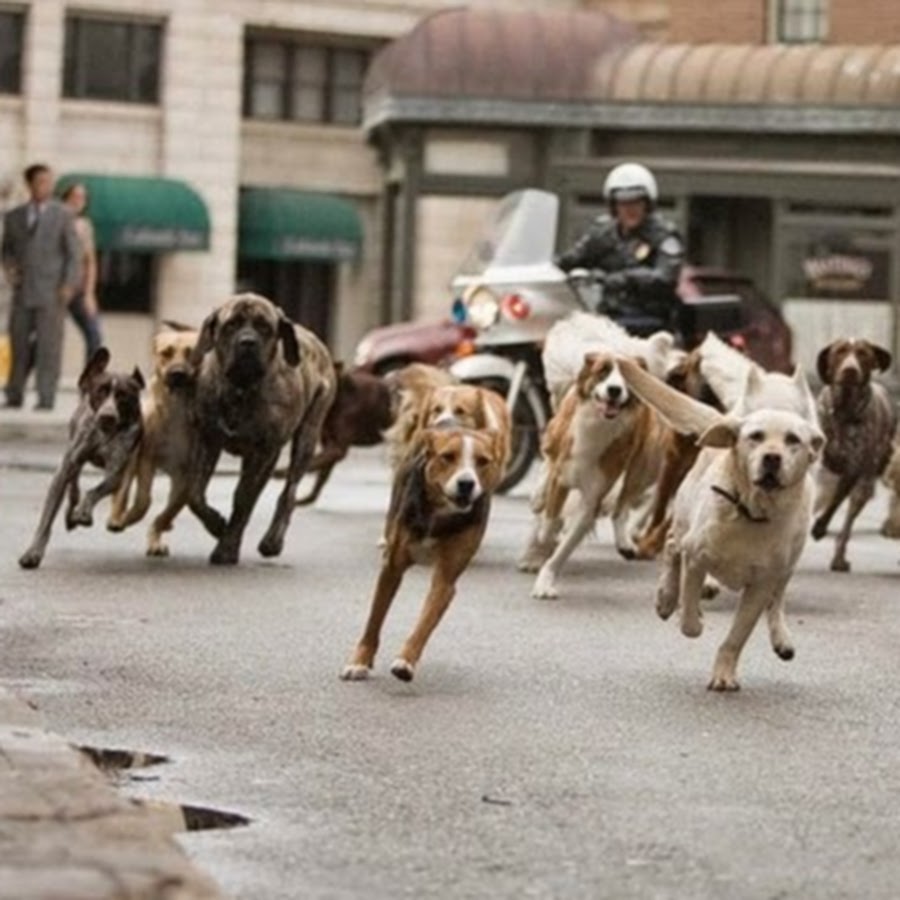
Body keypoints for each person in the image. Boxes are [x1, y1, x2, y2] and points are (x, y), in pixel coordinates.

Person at [554, 162, 684, 329]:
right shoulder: (603, 233)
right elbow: (572, 258)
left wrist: (623, 278)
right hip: (608, 319)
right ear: (614, 206)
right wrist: (548, 266)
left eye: (636, 203)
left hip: (651, 322)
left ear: (647, 204)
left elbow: (665, 276)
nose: (630, 210)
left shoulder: (664, 236)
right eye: (623, 203)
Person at [2, 163, 81, 410]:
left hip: (53, 292)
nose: (46, 186)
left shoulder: (63, 214)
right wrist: (9, 269)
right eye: (41, 182)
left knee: (49, 347)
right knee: (19, 344)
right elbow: (6, 251)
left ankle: (46, 397)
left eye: (49, 181)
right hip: (22, 291)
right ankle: (14, 394)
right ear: (30, 184)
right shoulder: (14, 217)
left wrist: (68, 285)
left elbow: (73, 254)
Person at [61, 182, 103, 364]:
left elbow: (91, 261)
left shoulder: (85, 226)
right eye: (75, 197)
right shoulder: (54, 222)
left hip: (78, 290)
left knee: (94, 335)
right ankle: (20, 380)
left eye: (82, 198)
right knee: (42, 339)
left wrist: (89, 294)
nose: (79, 201)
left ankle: (90, 382)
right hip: (57, 289)